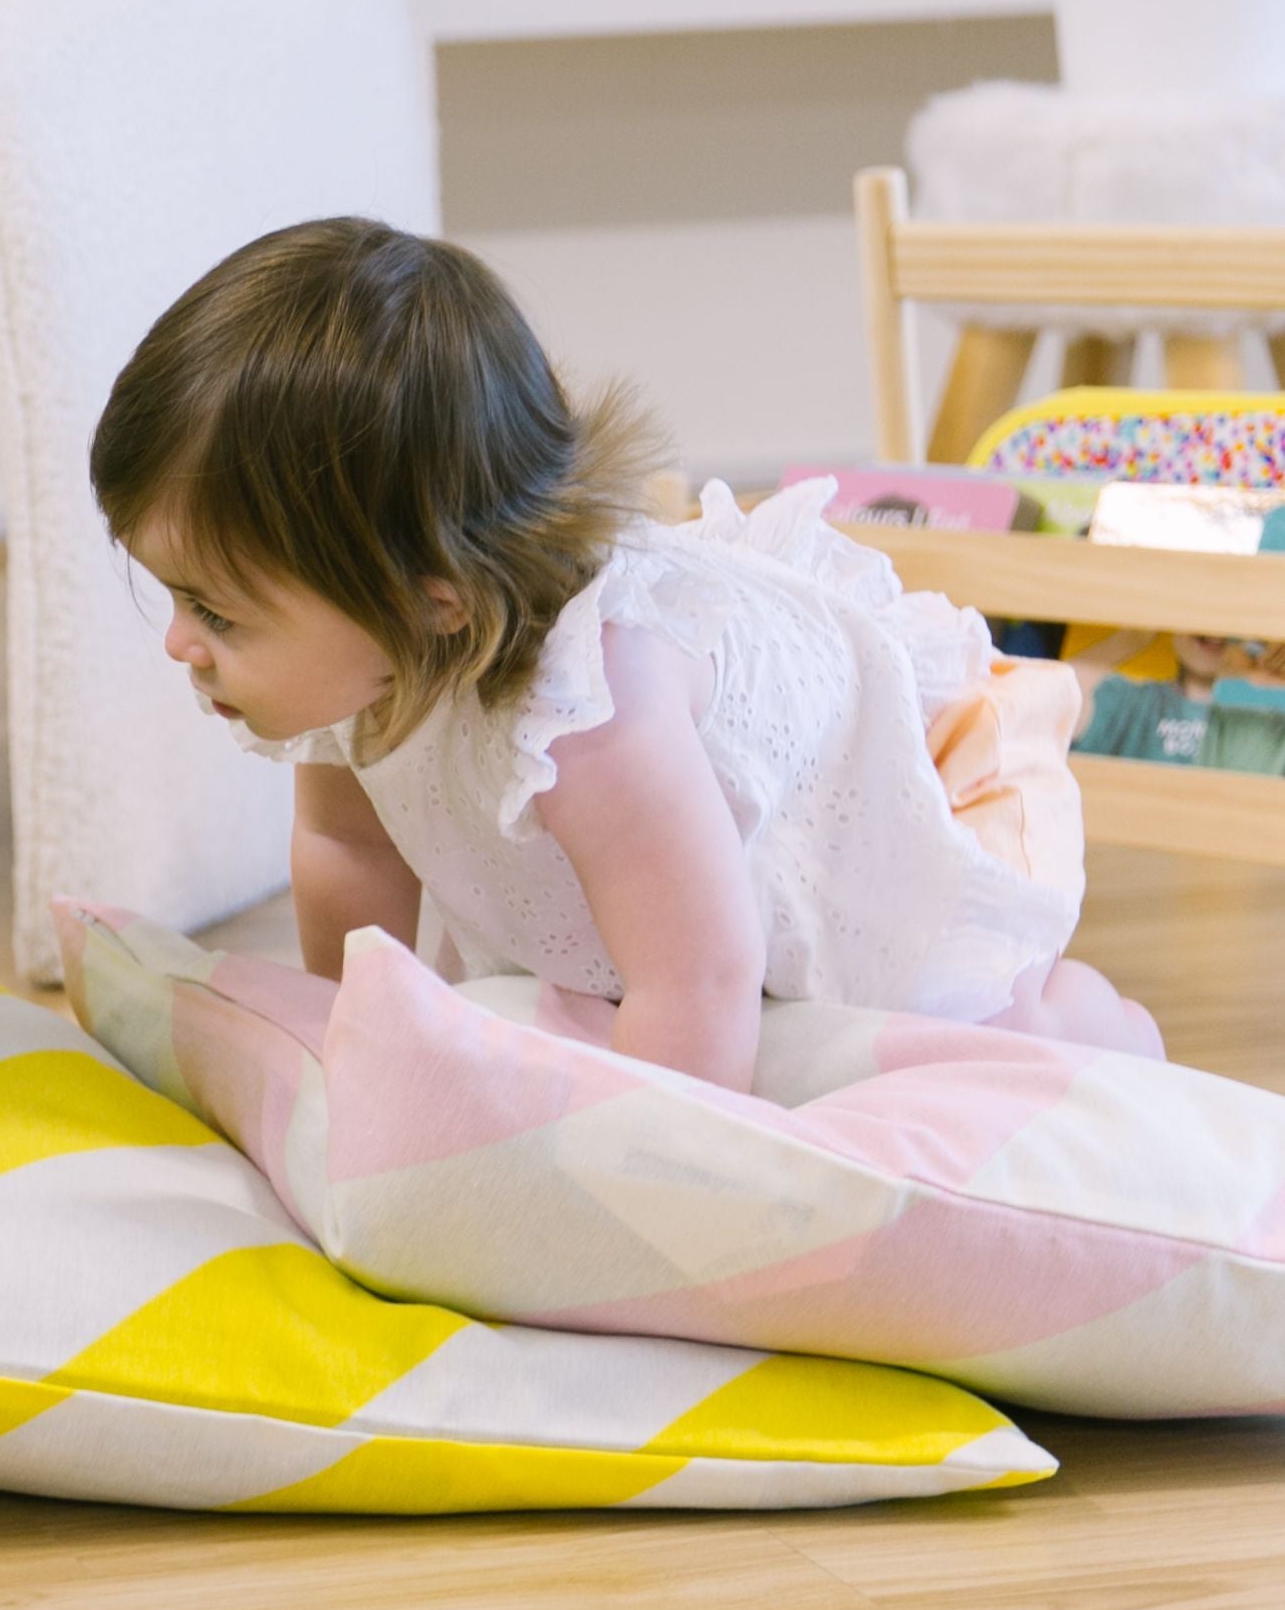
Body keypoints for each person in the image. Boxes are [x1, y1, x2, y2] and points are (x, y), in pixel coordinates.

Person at [89, 215, 1160, 1093]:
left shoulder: (596, 704)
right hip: (657, 901)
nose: (181, 645)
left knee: (947, 1044)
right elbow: (349, 856)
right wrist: (357, 1047)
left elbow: (701, 974)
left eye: (218, 614)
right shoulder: (370, 659)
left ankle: (1094, 1028)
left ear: (432, 602)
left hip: (828, 834)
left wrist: (645, 1180)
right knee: (607, 986)